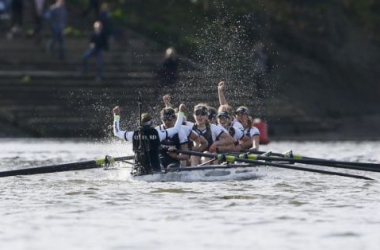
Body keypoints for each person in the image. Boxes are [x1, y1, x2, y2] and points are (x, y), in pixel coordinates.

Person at [112, 104, 186, 174]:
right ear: (151, 123)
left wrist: (116, 116)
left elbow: (117, 132)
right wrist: (181, 112)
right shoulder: (158, 134)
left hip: (139, 169)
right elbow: (176, 128)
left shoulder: (133, 134)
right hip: (155, 168)